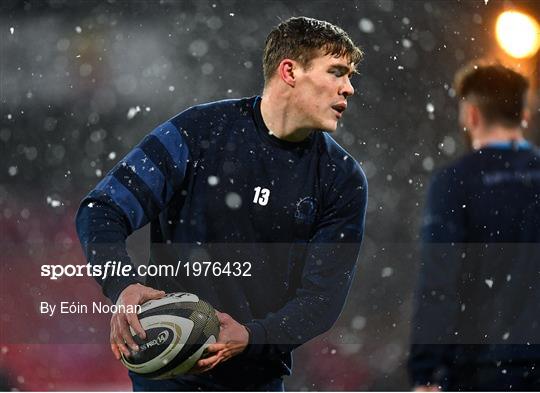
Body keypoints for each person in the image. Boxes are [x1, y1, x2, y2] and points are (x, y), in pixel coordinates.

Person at [76, 16, 367, 391]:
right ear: (290, 71)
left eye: (350, 75)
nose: (349, 88)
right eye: (337, 72)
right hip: (168, 375)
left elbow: (321, 300)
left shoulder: (341, 177)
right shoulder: (198, 132)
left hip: (254, 378)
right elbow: (102, 209)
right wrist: (122, 286)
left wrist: (251, 336)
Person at [408, 62, 540, 391]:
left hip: (480, 366)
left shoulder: (456, 183)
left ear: (472, 115)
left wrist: (425, 369)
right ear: (524, 114)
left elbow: (439, 280)